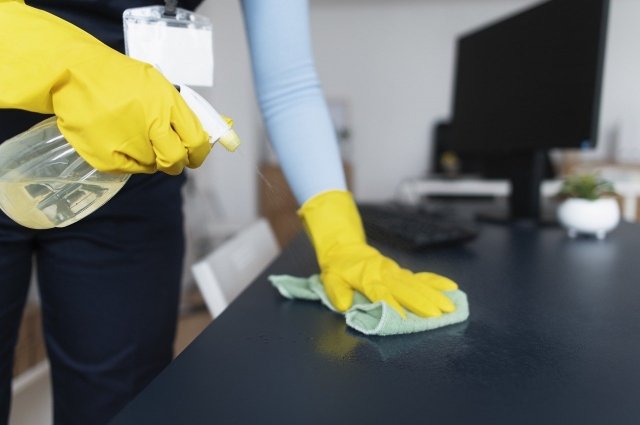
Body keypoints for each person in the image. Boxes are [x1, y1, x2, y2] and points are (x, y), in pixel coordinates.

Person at [0, 0, 458, 423]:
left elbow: (290, 81)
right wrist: (67, 64)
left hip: (131, 170)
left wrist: (341, 237)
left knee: (122, 404)